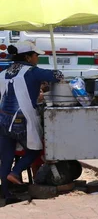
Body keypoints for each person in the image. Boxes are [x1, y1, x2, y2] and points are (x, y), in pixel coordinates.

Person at [0, 40, 63, 204]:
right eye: (36, 55)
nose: (37, 58)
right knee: (36, 149)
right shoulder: (32, 72)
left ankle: (6, 194)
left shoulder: (4, 72)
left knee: (6, 157)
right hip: (21, 122)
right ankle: (16, 172)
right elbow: (57, 76)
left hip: (3, 120)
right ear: (28, 57)